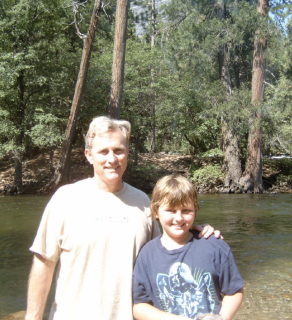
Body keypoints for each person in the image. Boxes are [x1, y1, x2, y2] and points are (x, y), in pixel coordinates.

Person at [25, 116, 221, 320]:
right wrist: (33, 317)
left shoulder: (143, 202)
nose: (112, 159)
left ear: (127, 153)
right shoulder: (65, 199)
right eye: (103, 151)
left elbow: (164, 254)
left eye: (118, 150)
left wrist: (197, 235)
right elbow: (43, 263)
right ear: (89, 155)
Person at [132, 174, 244, 320]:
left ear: (195, 210)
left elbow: (234, 291)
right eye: (171, 210)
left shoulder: (215, 246)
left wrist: (222, 317)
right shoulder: (147, 254)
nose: (178, 218)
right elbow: (139, 305)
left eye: (186, 210)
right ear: (155, 210)